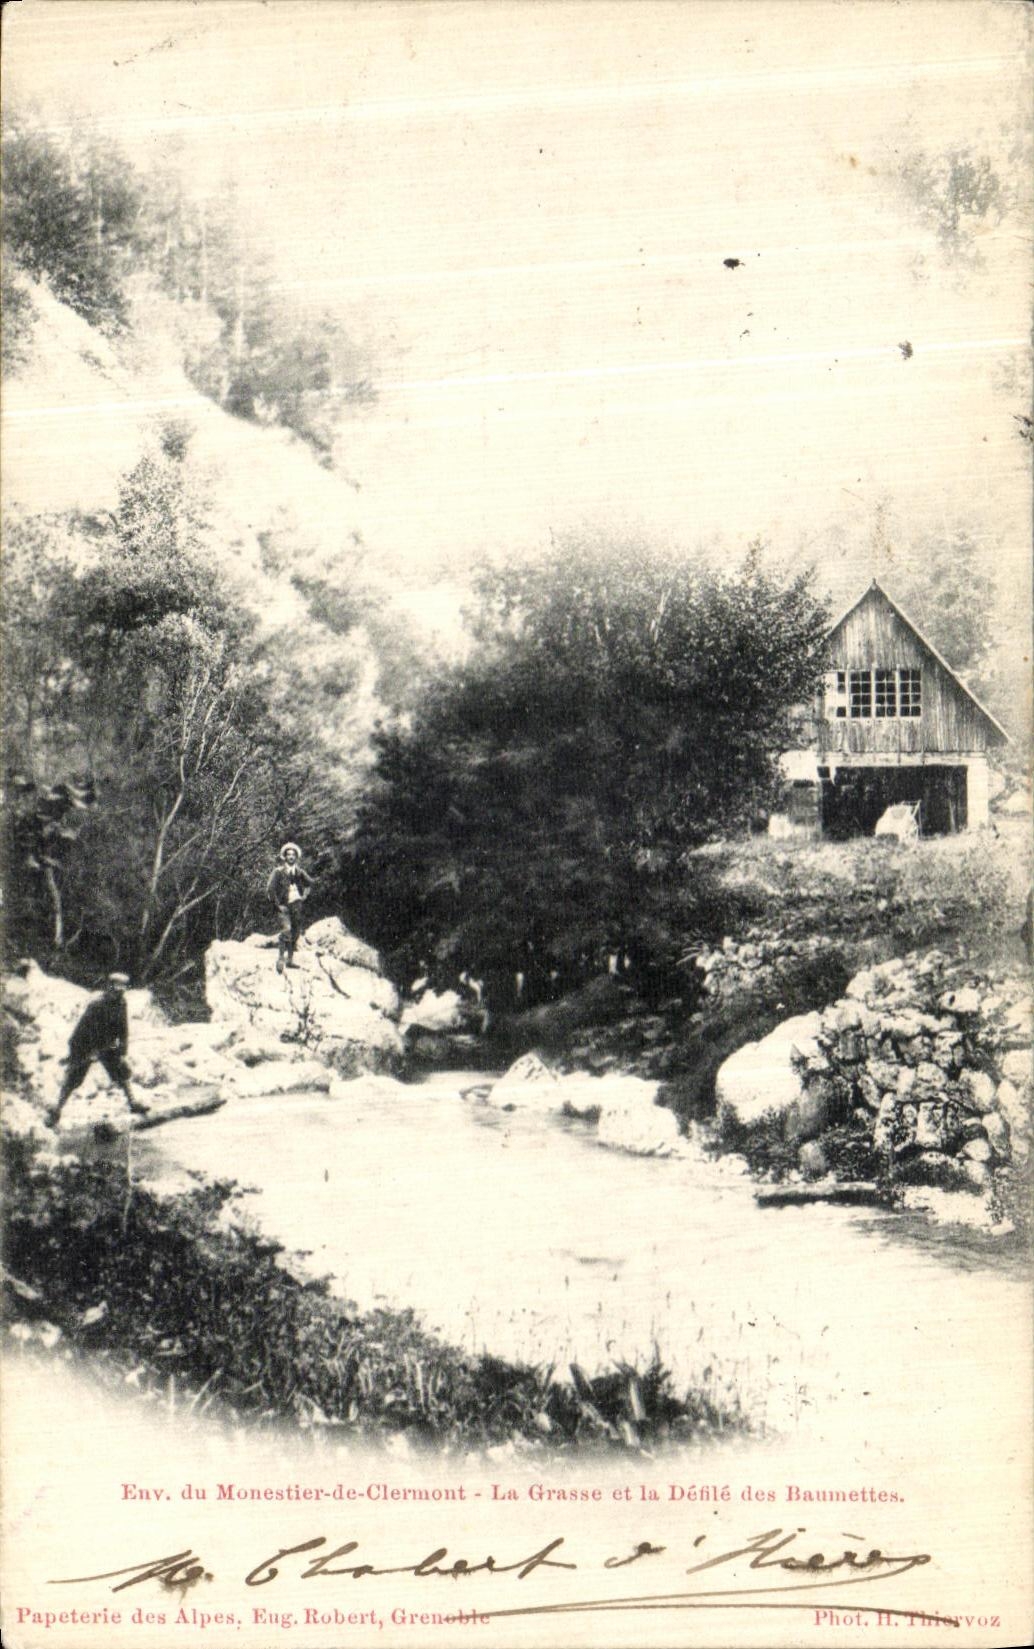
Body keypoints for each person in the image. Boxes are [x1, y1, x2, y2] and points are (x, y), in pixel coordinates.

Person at [45, 973, 148, 1129]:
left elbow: (123, 1028)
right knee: (74, 1078)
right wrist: (83, 1053)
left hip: (107, 1044)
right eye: (116, 988)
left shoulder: (122, 1003)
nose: (119, 992)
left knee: (121, 1071)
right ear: (109, 987)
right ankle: (56, 1111)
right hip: (86, 1045)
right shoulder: (97, 1005)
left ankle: (133, 1103)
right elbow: (82, 1031)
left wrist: (122, 1049)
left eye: (122, 989)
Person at [266, 842, 315, 972]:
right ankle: (281, 958)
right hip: (284, 907)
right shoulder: (278, 872)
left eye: (293, 855)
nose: (291, 857)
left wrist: (304, 895)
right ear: (285, 857)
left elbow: (310, 883)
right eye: (289, 855)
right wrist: (277, 905)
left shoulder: (299, 872)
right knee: (286, 930)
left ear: (296, 857)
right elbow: (270, 889)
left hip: (297, 906)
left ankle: (290, 960)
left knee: (296, 932)